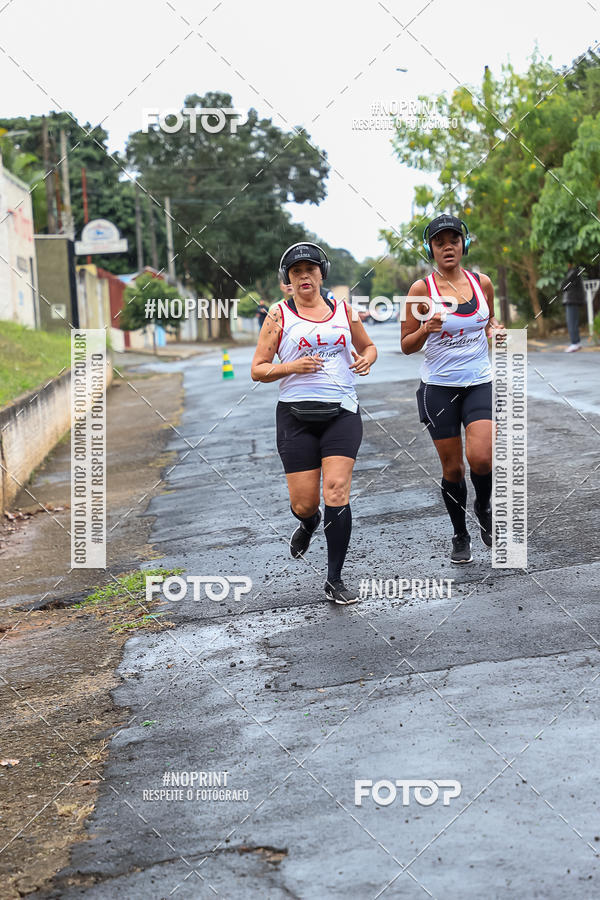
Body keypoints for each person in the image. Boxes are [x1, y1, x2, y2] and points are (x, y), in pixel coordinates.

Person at [251, 242, 377, 604]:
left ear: (322, 274)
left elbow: (368, 347)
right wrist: (293, 366)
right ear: (288, 281)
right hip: (295, 417)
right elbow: (258, 369)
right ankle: (308, 523)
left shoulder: (343, 310)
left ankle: (334, 579)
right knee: (305, 504)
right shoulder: (278, 315)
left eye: (310, 269)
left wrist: (367, 359)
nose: (303, 275)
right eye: (295, 272)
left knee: (336, 490)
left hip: (342, 411)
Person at [401, 214, 503, 564]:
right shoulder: (420, 291)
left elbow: (488, 320)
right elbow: (406, 344)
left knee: (482, 457)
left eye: (454, 240)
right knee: (454, 470)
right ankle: (460, 533)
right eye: (439, 241)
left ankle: (483, 506)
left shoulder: (482, 283)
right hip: (439, 389)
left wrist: (494, 330)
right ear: (430, 248)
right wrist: (426, 328)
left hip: (479, 382)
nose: (448, 246)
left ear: (464, 244)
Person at [560, 263, 585, 352]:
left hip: (572, 300)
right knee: (572, 322)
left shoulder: (573, 272)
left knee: (571, 322)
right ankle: (576, 343)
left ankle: (575, 343)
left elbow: (564, 286)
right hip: (572, 300)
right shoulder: (574, 272)